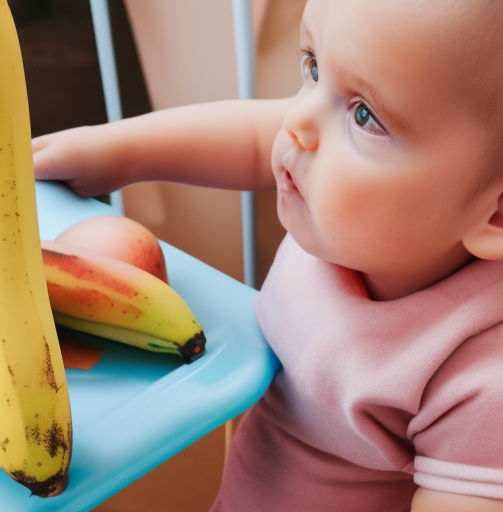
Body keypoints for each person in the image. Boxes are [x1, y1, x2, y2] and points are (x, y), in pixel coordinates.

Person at [33, 0, 503, 510]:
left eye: (364, 115)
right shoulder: (359, 213)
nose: (298, 118)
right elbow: (262, 137)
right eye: (314, 68)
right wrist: (114, 153)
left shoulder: (479, 388)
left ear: (496, 214)